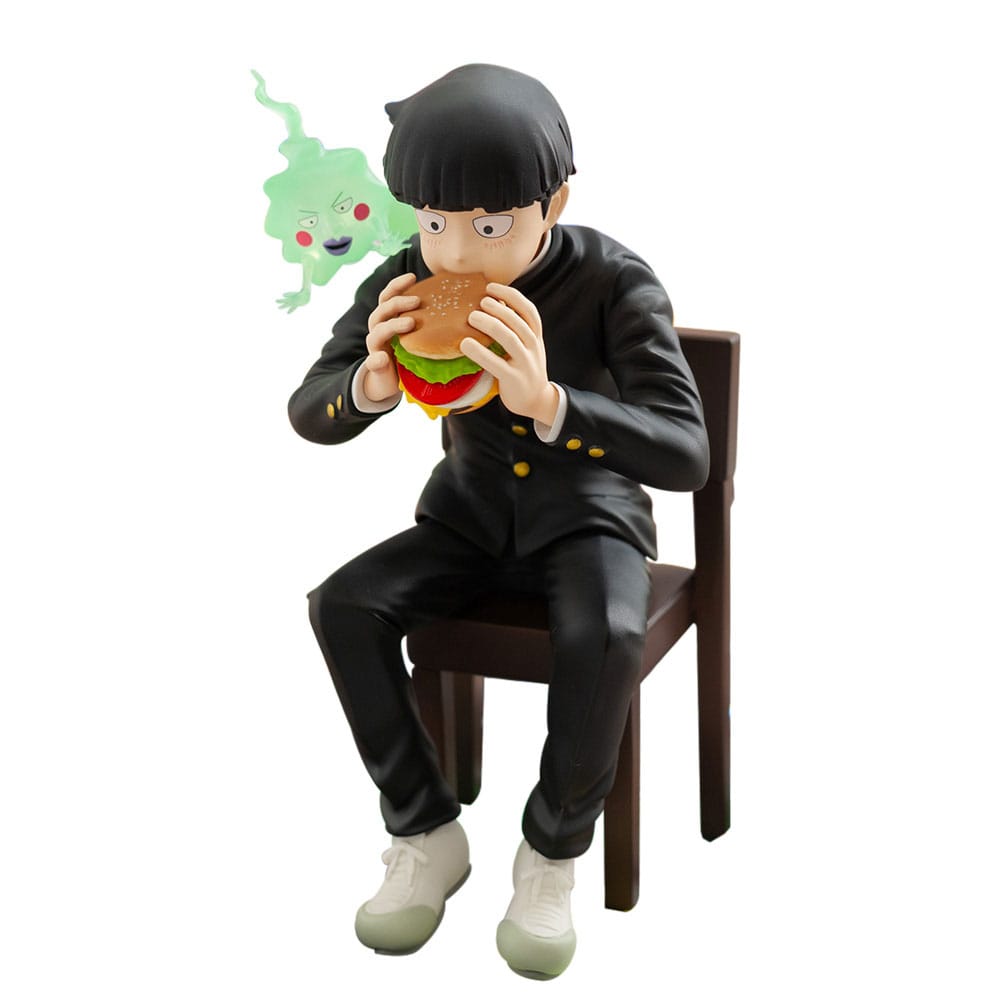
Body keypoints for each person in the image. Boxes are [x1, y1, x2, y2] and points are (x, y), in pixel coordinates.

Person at [289, 64, 709, 979]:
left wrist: (553, 403)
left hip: (591, 524)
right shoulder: (406, 281)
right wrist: (368, 383)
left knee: (605, 631)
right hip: (468, 523)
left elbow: (686, 453)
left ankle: (551, 854)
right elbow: (308, 408)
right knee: (342, 605)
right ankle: (425, 832)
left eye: (488, 227)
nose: (456, 254)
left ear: (551, 204)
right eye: (434, 222)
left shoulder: (614, 281)